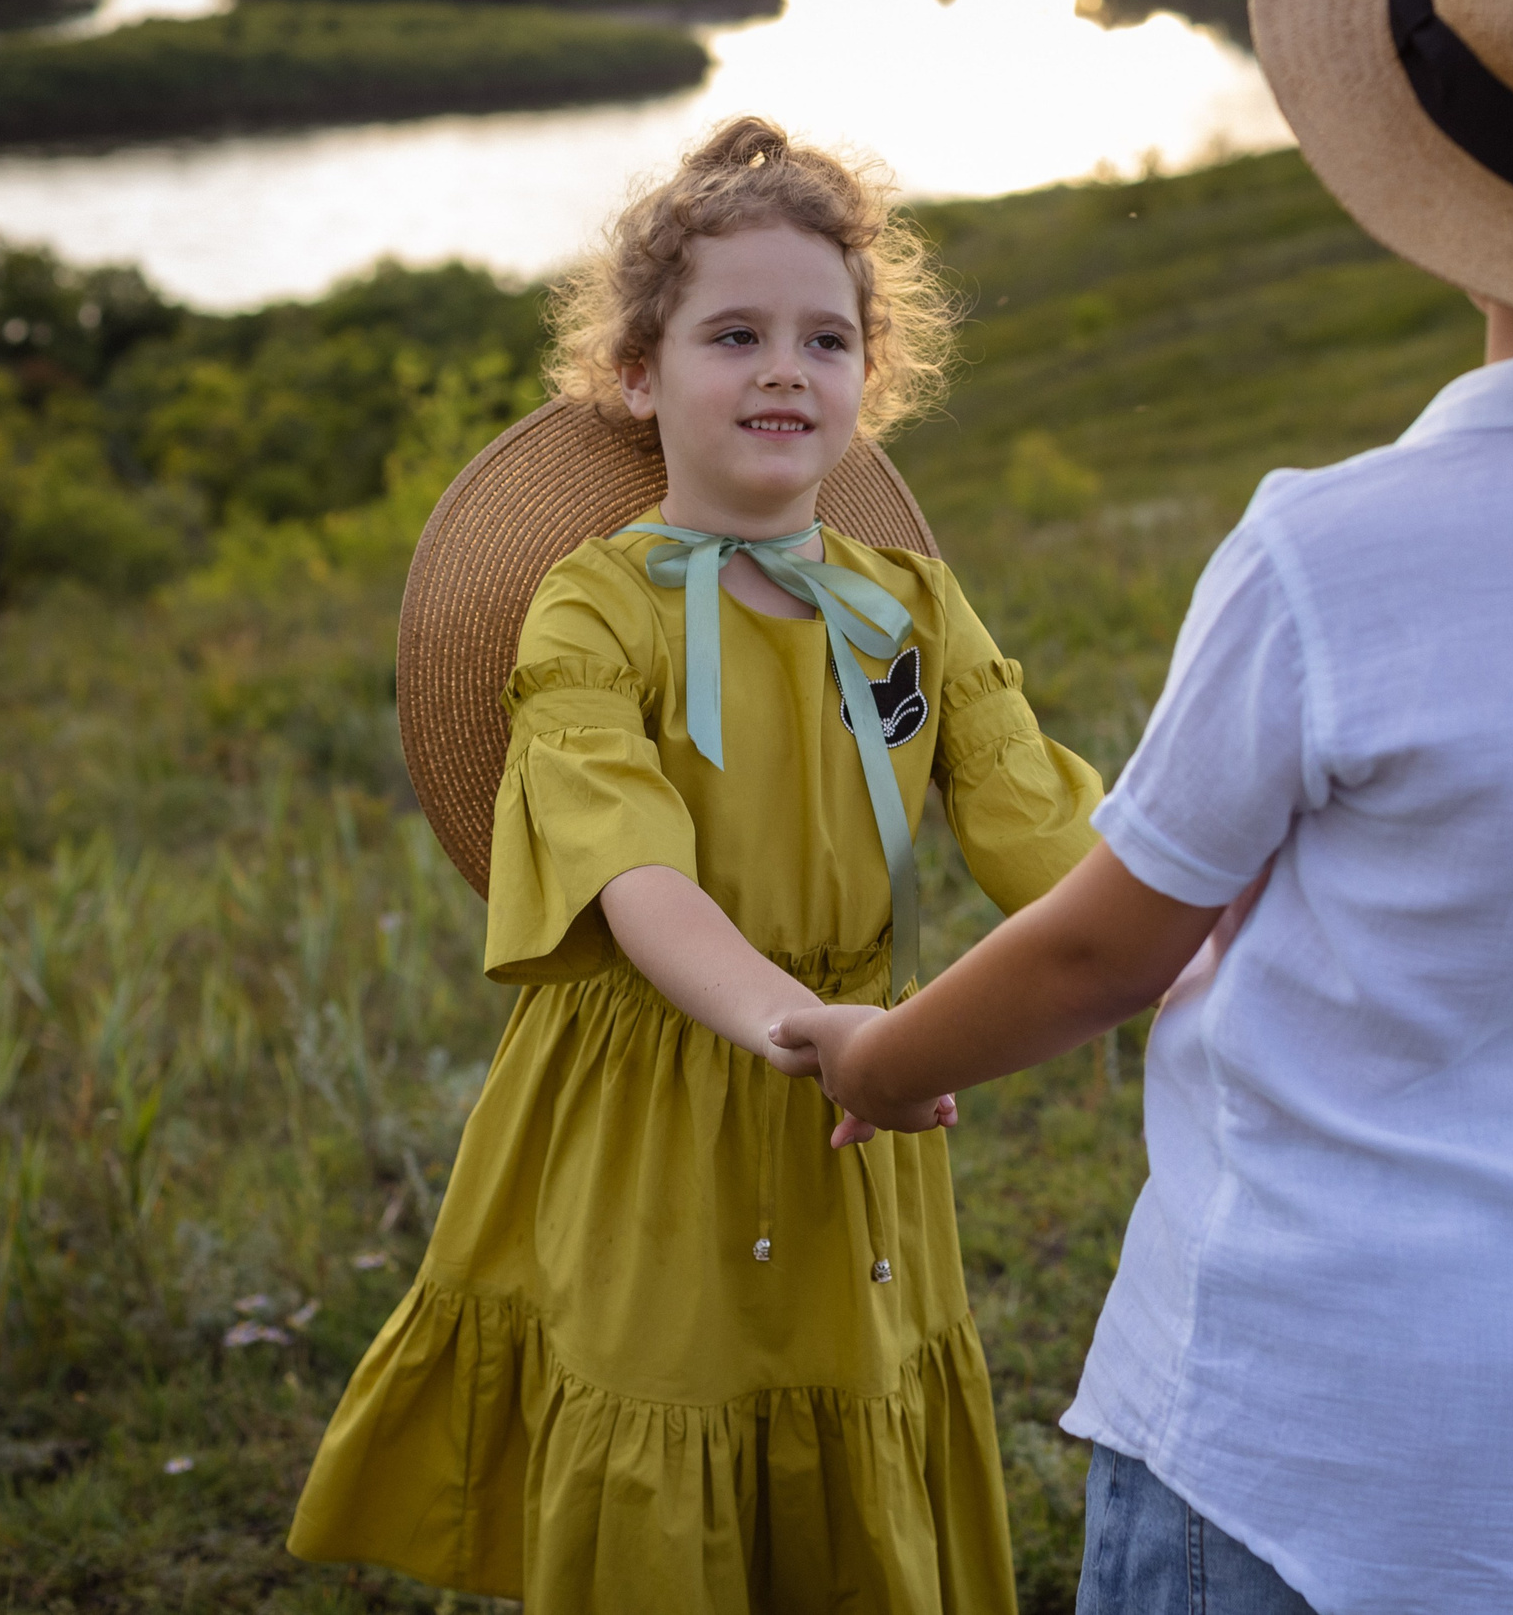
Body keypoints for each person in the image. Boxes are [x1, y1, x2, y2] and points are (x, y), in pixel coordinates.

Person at [767, 0, 1513, 1609]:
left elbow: (1104, 945)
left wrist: (881, 1061)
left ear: (1440, 174)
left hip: (1287, 1434)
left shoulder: (1337, 553)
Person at [288, 116, 1103, 1610]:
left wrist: (1218, 942)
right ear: (638, 374)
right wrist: (802, 1027)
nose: (787, 368)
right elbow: (631, 872)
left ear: (875, 378)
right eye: (736, 335)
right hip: (665, 1087)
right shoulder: (594, 613)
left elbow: (1043, 825)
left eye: (827, 337)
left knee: (842, 1412)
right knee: (673, 1420)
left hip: (863, 1081)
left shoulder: (911, 603)